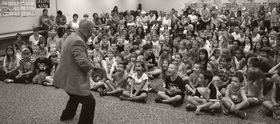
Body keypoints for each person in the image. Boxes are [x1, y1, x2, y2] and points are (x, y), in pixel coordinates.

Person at [53, 19, 96, 124]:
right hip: (72, 79)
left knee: (74, 96)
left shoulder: (72, 36)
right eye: (92, 29)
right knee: (90, 102)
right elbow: (83, 63)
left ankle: (67, 116)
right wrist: (93, 67)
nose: (92, 32)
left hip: (66, 77)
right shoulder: (78, 41)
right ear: (87, 30)